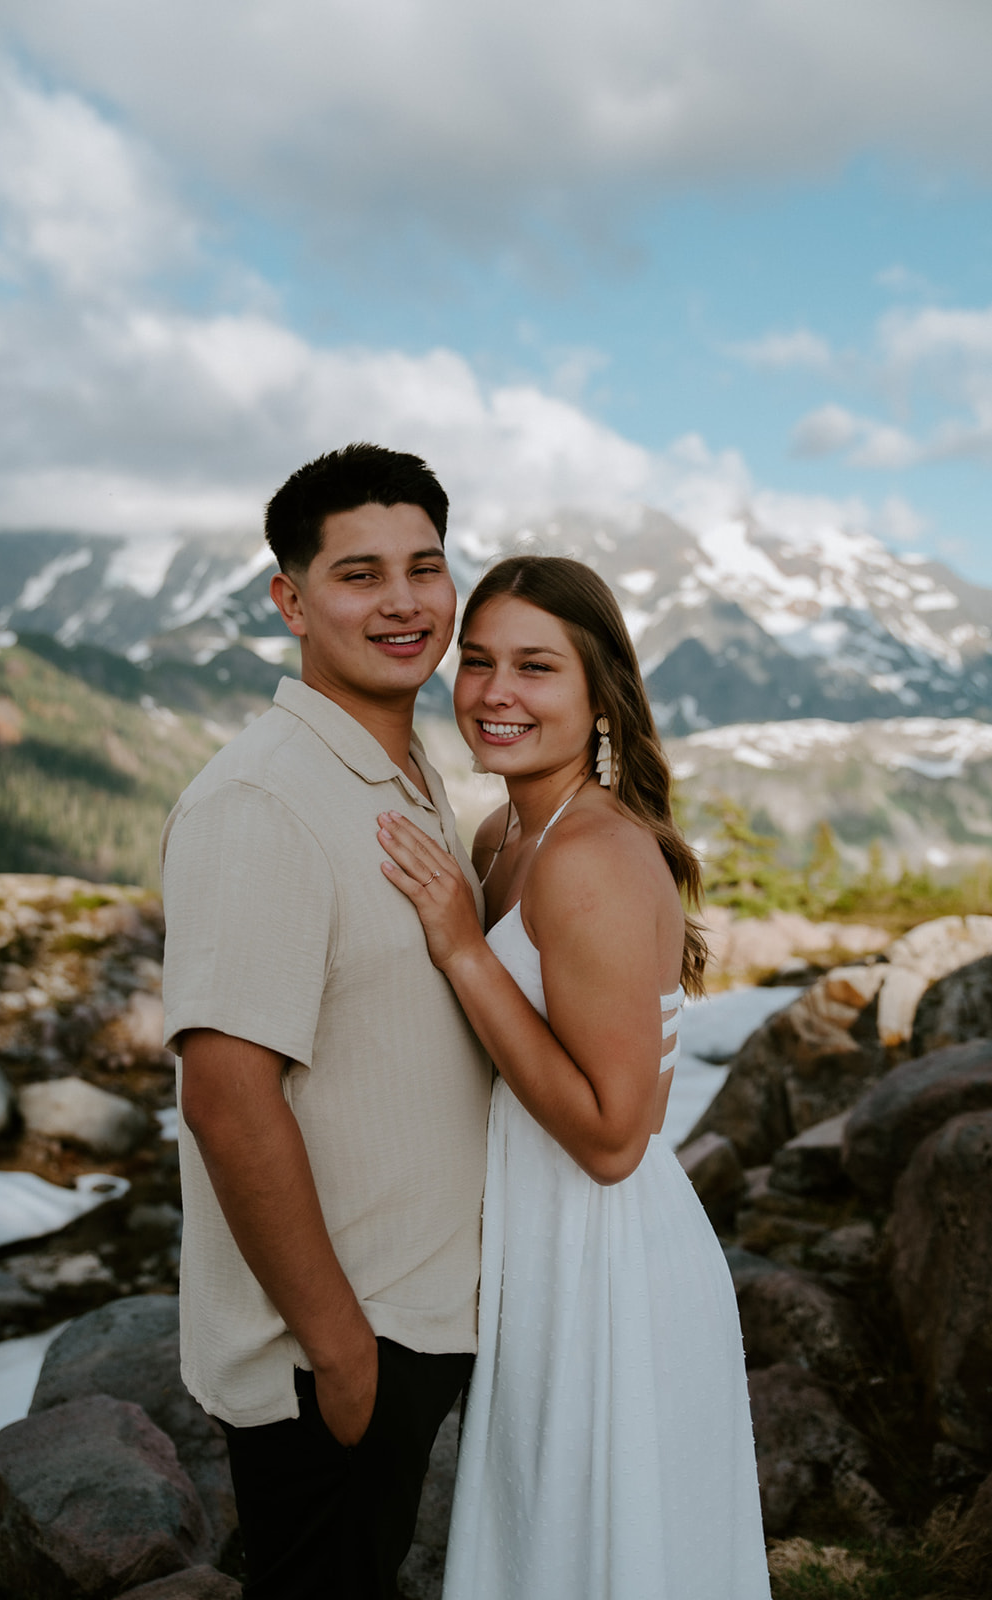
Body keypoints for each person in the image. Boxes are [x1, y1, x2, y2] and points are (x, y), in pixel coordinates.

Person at [376, 555, 771, 1600]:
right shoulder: (505, 831)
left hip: (605, 1261)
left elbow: (611, 1138)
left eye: (537, 667)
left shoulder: (587, 854)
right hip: (537, 1245)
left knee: (599, 1551)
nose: (497, 692)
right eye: (479, 661)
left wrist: (464, 950)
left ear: (600, 695)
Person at [160, 443, 492, 1600]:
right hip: (342, 1348)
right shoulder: (263, 800)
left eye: (425, 566)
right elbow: (225, 1092)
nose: (402, 601)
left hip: (415, 1317)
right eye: (360, 575)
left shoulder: (402, 774)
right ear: (291, 599)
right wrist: (342, 1349)